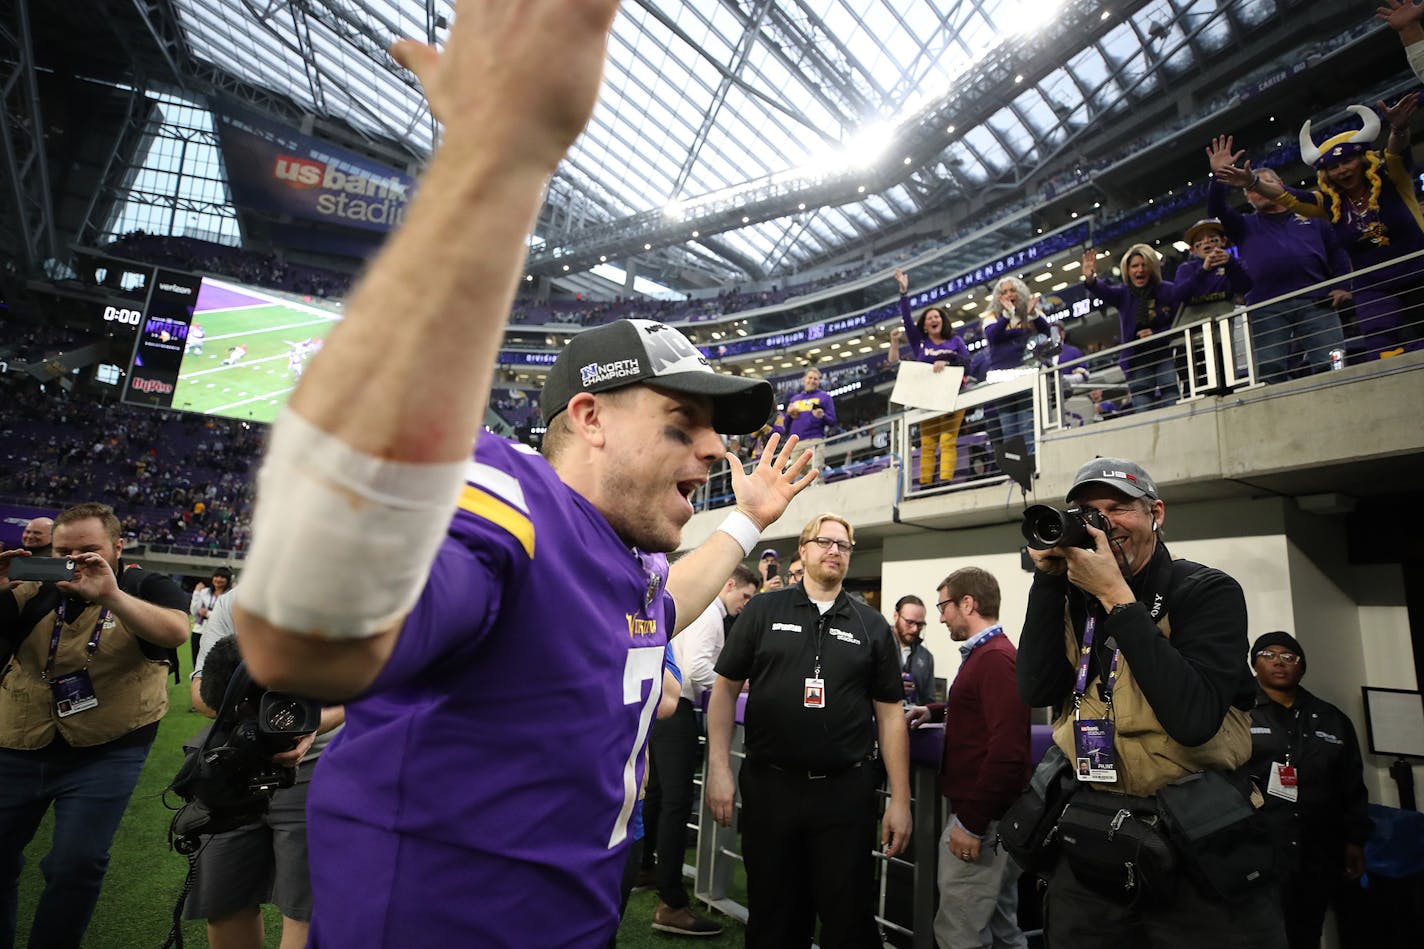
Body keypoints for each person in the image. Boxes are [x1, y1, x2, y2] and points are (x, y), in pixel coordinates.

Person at [229, 14, 816, 941]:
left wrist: (744, 523)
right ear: (586, 417)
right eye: (683, 422)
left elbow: (663, 608)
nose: (712, 451)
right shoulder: (512, 504)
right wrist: (499, 162)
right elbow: (308, 641)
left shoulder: (616, 555)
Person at [1016, 459, 1284, 948]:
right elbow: (1035, 691)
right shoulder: (1076, 598)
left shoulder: (1205, 591)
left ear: (1156, 513)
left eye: (1118, 508)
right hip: (1095, 827)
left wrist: (1117, 599)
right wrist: (1048, 582)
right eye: (1087, 512)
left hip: (1196, 836)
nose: (1103, 521)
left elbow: (1193, 719)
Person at [705, 513, 911, 949]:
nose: (835, 549)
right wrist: (719, 768)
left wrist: (900, 799)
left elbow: (891, 715)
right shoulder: (762, 610)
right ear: (803, 549)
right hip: (769, 788)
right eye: (824, 541)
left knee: (848, 918)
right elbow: (722, 693)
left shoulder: (871, 625)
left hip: (845, 795)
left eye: (844, 544)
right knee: (773, 916)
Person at [0, 502, 190, 949]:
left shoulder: (144, 583)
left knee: (75, 864)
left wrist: (111, 596)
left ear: (118, 547)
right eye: (63, 550)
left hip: (109, 746)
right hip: (17, 739)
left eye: (90, 550)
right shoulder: (31, 586)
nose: (75, 560)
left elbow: (176, 632)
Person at [1225, 98, 1424, 360]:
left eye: (1348, 162)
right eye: (1333, 166)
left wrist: (1398, 129)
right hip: (1374, 285)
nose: (1342, 170)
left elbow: (1396, 152)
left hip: (1418, 269)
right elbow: (1287, 196)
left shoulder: (1393, 180)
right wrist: (1252, 181)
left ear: (1363, 161)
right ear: (1325, 174)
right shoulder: (1328, 203)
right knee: (1383, 348)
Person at [188, 619, 345, 949]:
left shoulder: (348, 605)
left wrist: (310, 724)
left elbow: (368, 690)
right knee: (225, 901)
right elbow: (204, 694)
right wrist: (254, 728)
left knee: (305, 910)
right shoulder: (232, 604)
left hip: (317, 769)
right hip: (233, 766)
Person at [907, 567, 1030, 949]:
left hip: (982, 821)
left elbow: (1008, 751)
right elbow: (981, 709)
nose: (940, 616)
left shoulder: (994, 659)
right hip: (992, 818)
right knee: (1000, 927)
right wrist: (936, 710)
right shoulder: (989, 656)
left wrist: (972, 824)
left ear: (968, 603)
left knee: (960, 931)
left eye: (943, 605)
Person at [641, 564, 758, 937]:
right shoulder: (710, 612)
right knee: (674, 803)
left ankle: (649, 870)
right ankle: (671, 902)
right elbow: (696, 671)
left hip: (663, 709)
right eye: (745, 596)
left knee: (658, 797)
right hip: (676, 712)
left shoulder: (702, 610)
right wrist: (737, 686)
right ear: (729, 585)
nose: (746, 604)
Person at [1246, 631, 1371, 949]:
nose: (1279, 662)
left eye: (1289, 657)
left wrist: (1355, 840)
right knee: (1259, 934)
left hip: (1318, 850)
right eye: (1269, 655)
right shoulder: (1238, 713)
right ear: (1254, 664)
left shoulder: (1332, 718)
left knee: (1306, 933)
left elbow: (1351, 783)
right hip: (1258, 846)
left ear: (1302, 668)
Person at [1204, 139, 1353, 380]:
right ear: (1248, 198)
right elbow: (1216, 209)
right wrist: (1218, 175)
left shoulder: (1312, 215)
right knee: (1270, 371)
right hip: (1266, 307)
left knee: (1334, 363)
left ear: (1281, 185)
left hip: (1317, 300)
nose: (1258, 191)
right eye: (1251, 189)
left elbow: (1337, 251)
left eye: (1264, 184)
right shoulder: (1243, 224)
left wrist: (1342, 285)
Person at [1080, 246, 1195, 411]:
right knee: (1142, 409)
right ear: (1127, 270)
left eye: (1144, 264)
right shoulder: (1123, 294)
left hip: (1167, 355)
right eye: (1134, 266)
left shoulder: (1169, 290)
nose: (1140, 269)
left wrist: (1155, 334)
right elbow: (1103, 291)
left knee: (1173, 402)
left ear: (1152, 267)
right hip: (1137, 361)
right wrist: (1090, 279)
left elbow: (1179, 323)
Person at [890, 268, 971, 486]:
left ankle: (945, 481)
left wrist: (948, 360)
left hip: (953, 397)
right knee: (926, 442)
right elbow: (907, 320)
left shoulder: (955, 341)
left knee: (947, 440)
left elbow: (967, 362)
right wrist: (904, 292)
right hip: (927, 400)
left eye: (937, 316)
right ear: (924, 325)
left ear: (942, 321)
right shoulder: (920, 344)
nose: (933, 319)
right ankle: (926, 484)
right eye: (929, 318)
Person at [981, 277, 1049, 451]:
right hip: (1001, 381)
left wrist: (1033, 314)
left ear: (1020, 292)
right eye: (1003, 292)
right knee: (1009, 431)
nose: (1008, 295)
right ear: (997, 297)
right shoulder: (992, 316)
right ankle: (1015, 475)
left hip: (1027, 377)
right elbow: (993, 337)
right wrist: (1006, 315)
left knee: (1028, 427)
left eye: (1012, 290)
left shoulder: (1031, 311)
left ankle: (1033, 471)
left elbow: (1047, 331)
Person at [890, 594, 934, 705]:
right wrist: (888, 686)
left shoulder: (926, 657)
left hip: (914, 720)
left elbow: (928, 700)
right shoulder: (876, 646)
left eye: (920, 624)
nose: (914, 629)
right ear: (896, 616)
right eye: (909, 622)